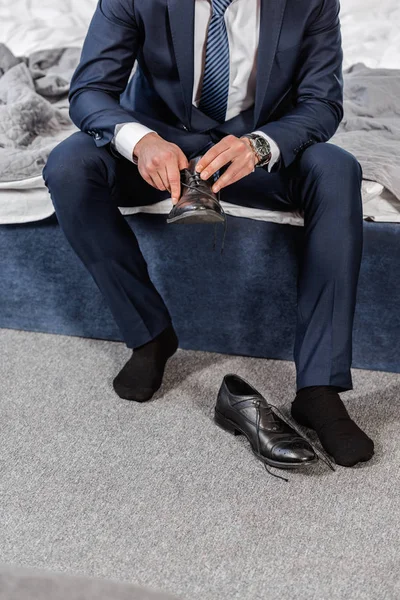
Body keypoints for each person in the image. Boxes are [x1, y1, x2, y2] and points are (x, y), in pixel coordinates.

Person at [43, 0, 374, 468]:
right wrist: (140, 141)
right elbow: (90, 91)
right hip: (159, 144)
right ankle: (150, 333)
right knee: (68, 165)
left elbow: (322, 102)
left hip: (255, 148)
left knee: (338, 168)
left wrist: (260, 146)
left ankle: (318, 387)